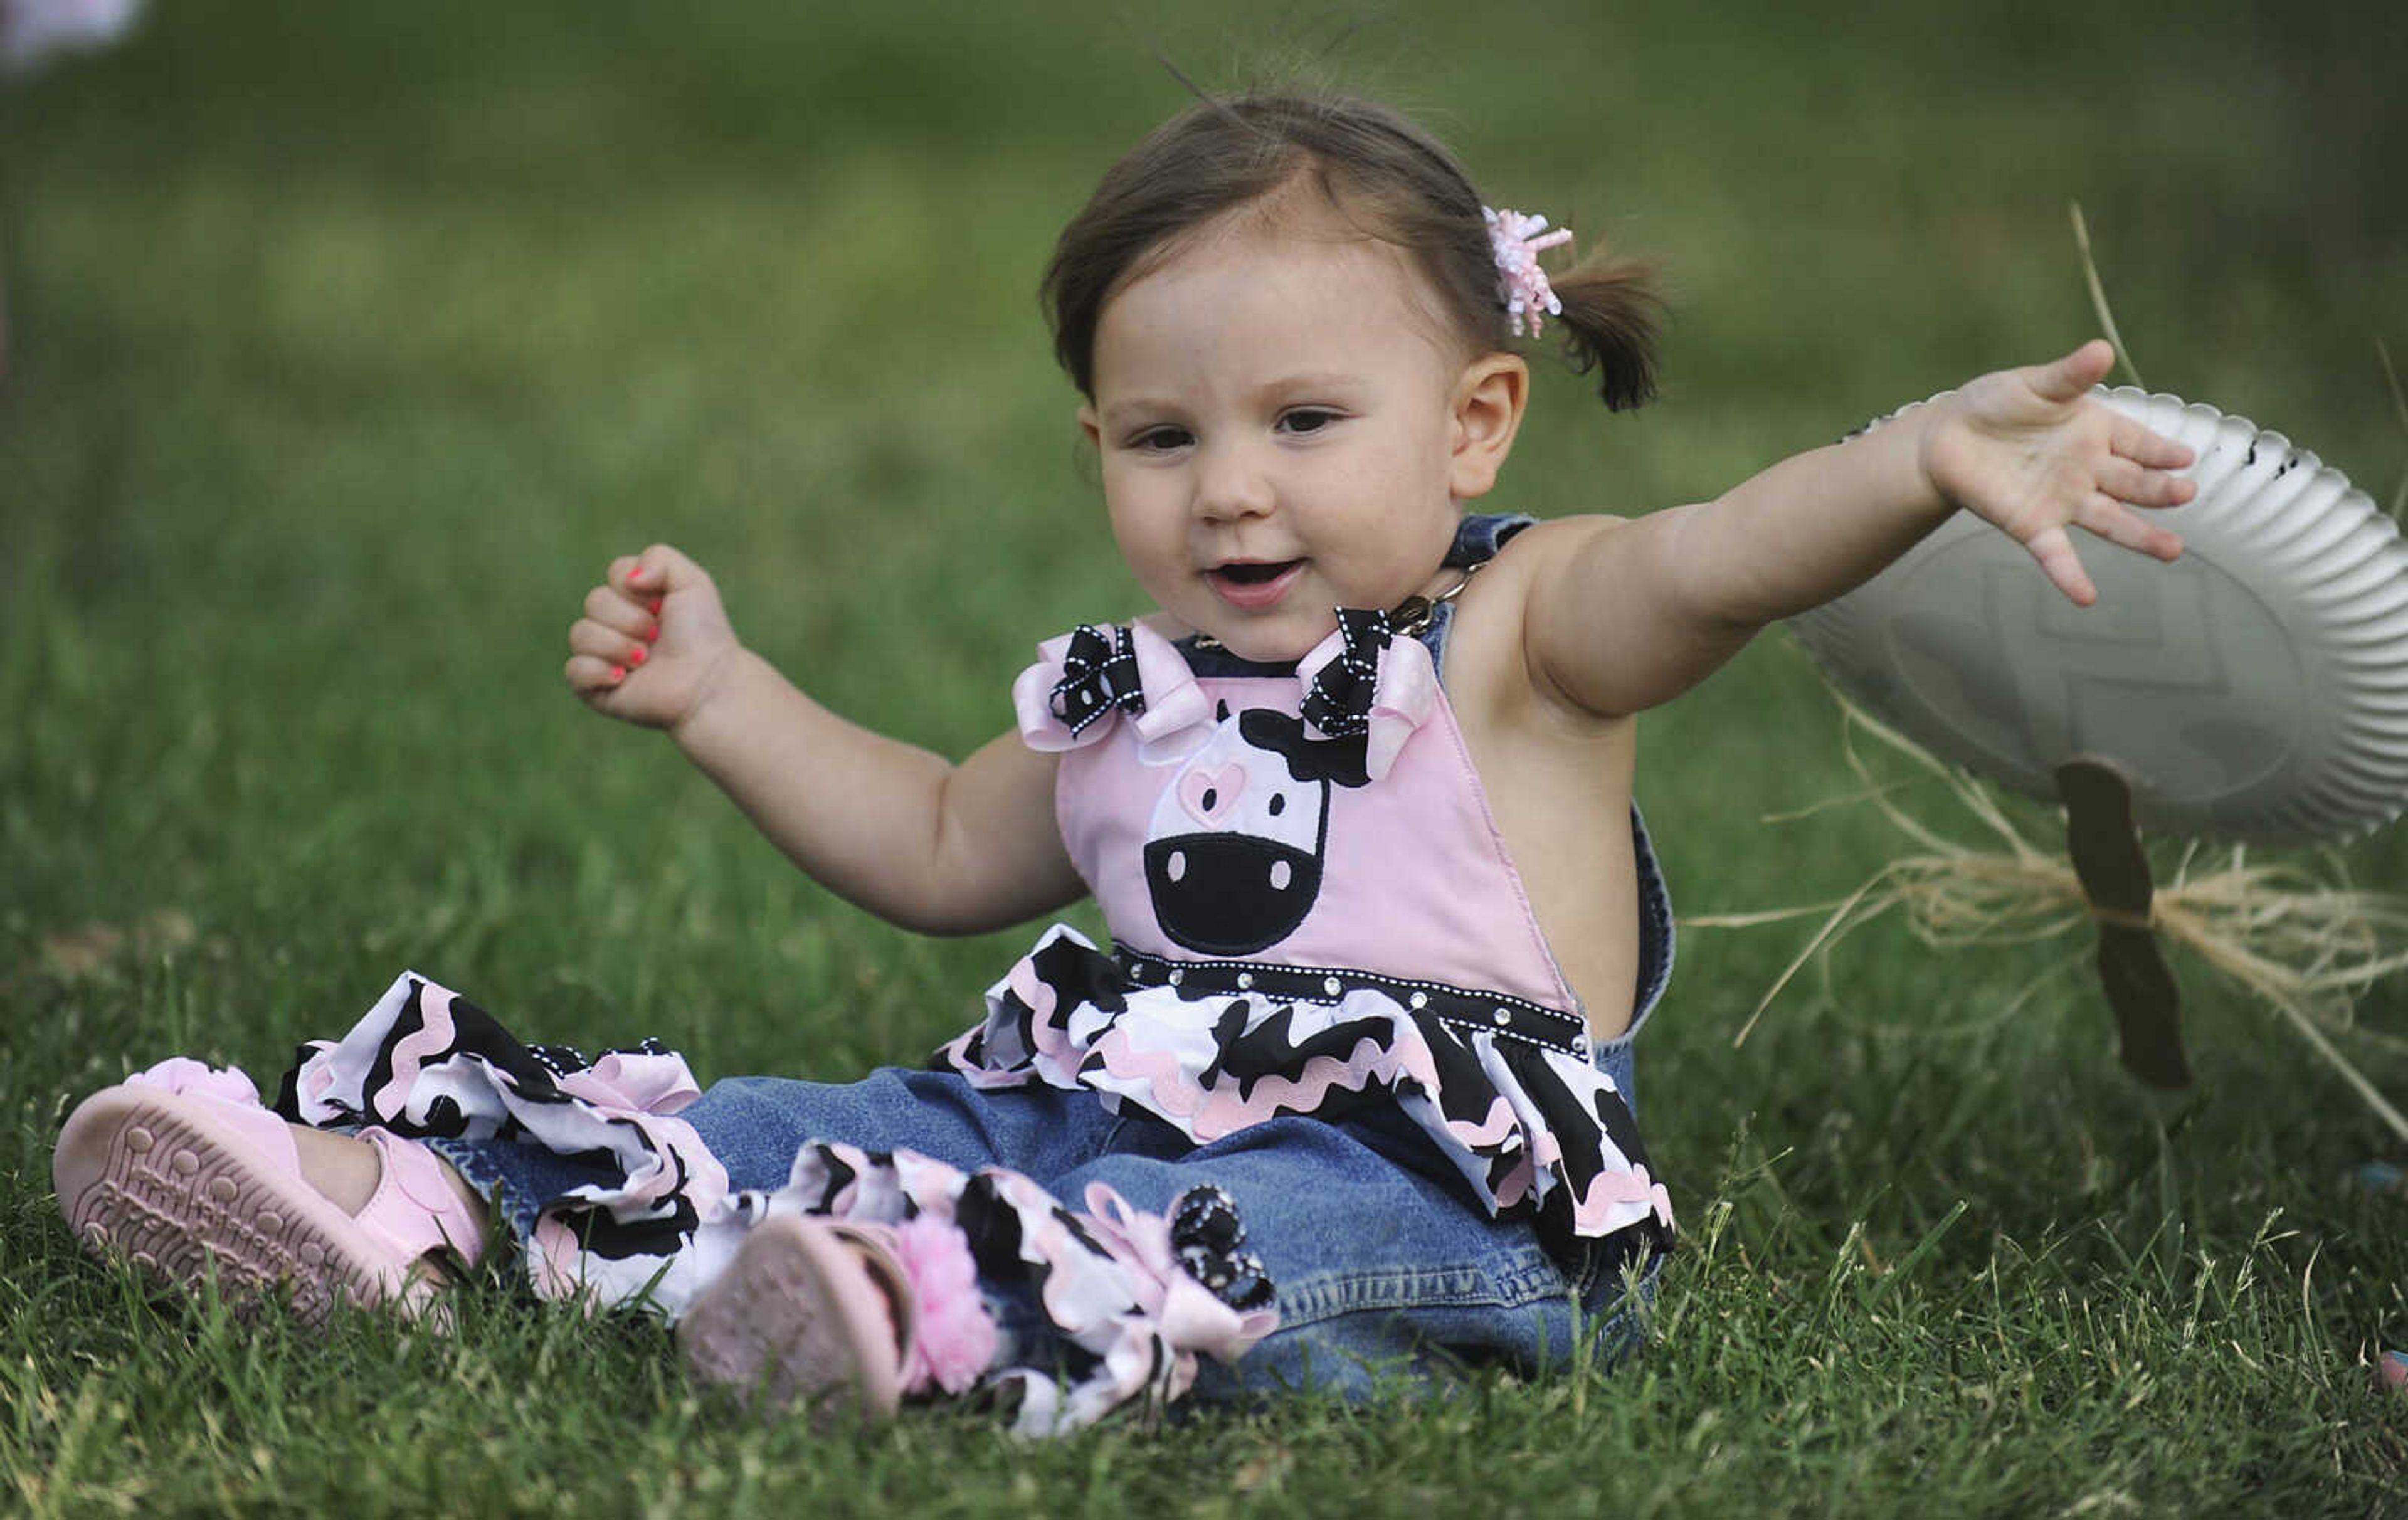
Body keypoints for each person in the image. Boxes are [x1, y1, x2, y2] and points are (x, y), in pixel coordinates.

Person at [51, 92, 2196, 1435]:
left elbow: (1729, 558)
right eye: (1166, 440)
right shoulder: (1127, 700)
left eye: (1303, 423)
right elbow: (924, 836)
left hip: (1441, 1193)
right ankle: (410, 1199)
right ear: (1099, 447)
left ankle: (949, 1309)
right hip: (1094, 1113)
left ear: (1475, 427)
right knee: (839, 1115)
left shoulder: (1531, 632)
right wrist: (725, 700)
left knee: (1247, 1235)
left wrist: (1914, 459)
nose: (1230, 495)